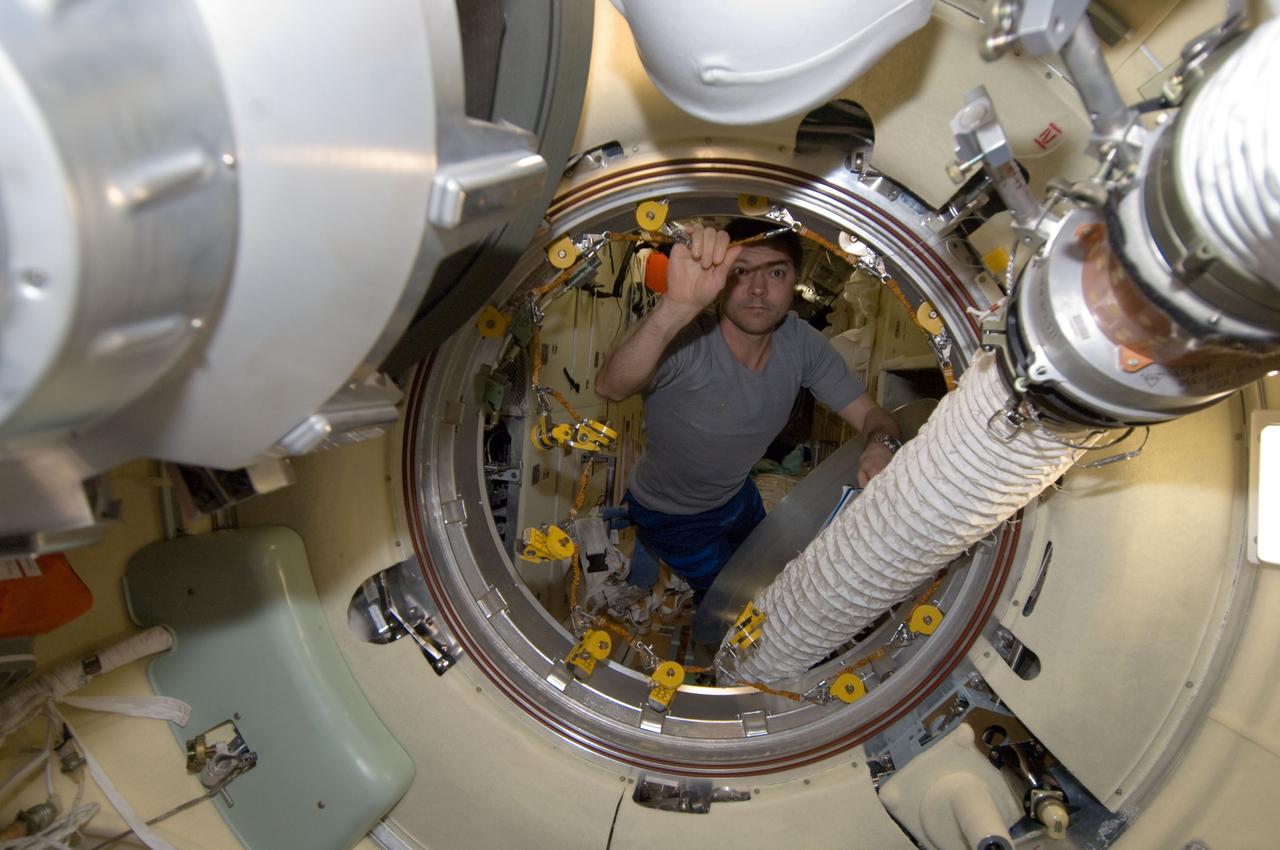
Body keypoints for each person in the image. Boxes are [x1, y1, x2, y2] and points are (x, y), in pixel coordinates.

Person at [593, 219, 901, 604]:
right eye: (741, 272)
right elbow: (609, 386)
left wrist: (882, 444)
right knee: (737, 604)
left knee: (777, 575)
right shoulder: (686, 338)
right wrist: (677, 306)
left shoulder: (801, 343)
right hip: (669, 515)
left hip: (737, 497)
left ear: (794, 282)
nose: (758, 289)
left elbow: (876, 418)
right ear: (721, 278)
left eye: (775, 272)